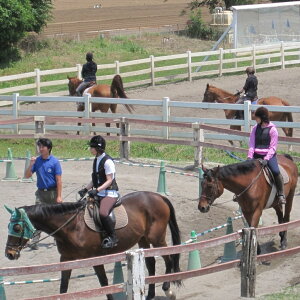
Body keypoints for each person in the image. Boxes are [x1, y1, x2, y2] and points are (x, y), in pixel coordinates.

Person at [78, 135, 119, 248]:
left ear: (98, 148)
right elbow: (96, 179)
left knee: (103, 213)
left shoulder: (108, 162)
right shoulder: (96, 159)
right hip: (99, 192)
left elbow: (109, 180)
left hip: (109, 193)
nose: (90, 149)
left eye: (92, 147)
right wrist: (86, 189)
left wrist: (97, 190)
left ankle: (113, 237)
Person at [25, 138, 63, 249]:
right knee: (37, 216)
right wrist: (31, 164)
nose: (40, 149)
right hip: (40, 194)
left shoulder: (55, 162)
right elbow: (27, 176)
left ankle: (58, 238)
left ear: (49, 148)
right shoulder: (37, 161)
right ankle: (35, 241)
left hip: (53, 193)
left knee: (55, 217)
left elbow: (59, 180)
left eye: (43, 147)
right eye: (39, 146)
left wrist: (59, 196)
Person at [247, 107, 286, 205]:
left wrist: (266, 159)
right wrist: (249, 156)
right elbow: (252, 144)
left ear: (262, 117)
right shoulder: (255, 128)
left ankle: (281, 194)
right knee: (244, 169)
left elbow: (273, 148)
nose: (255, 119)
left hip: (269, 156)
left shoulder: (273, 130)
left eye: (256, 117)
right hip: (256, 155)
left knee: (276, 171)